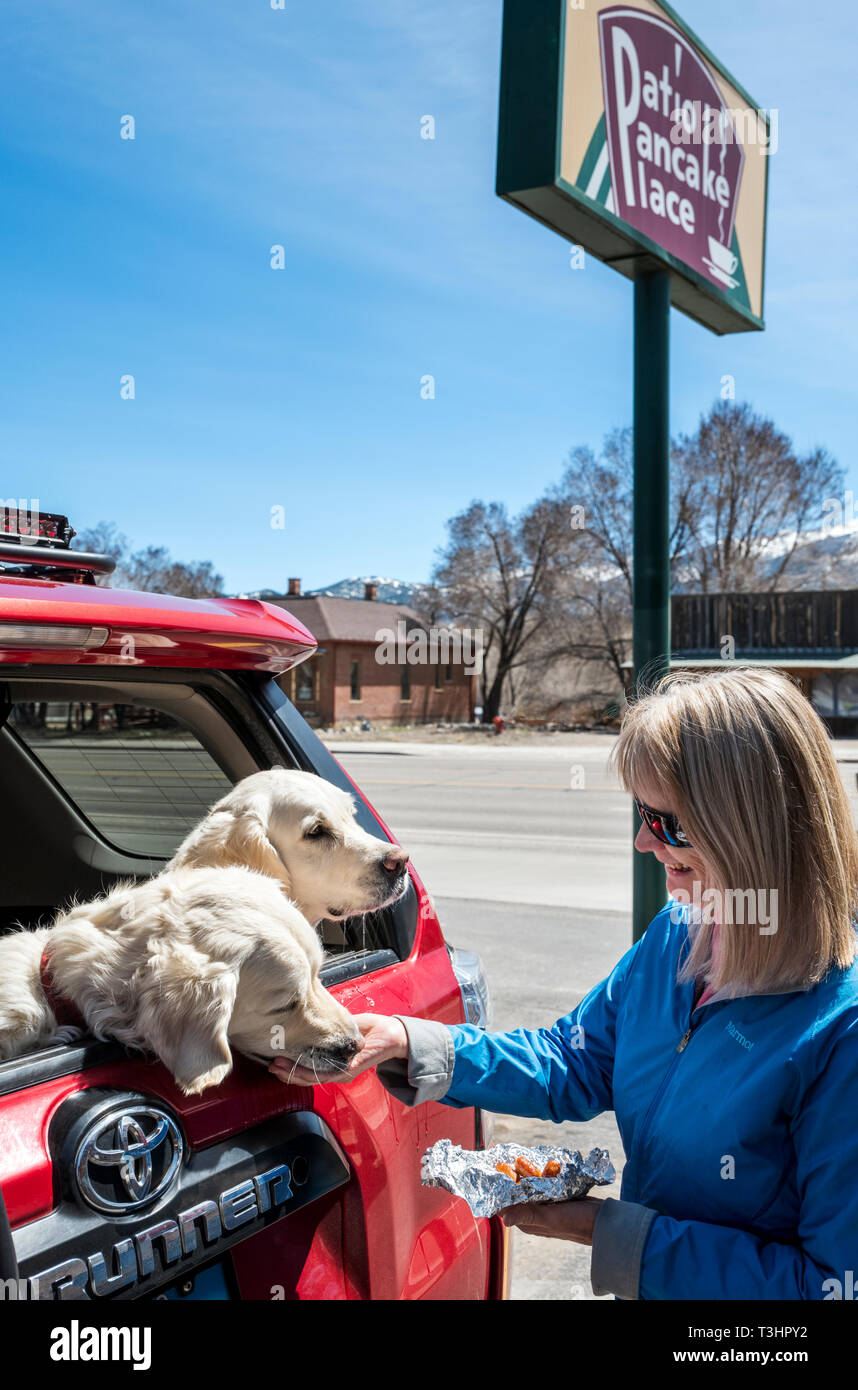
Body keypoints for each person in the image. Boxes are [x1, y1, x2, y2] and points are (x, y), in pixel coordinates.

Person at [271, 667, 858, 1301]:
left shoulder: (841, 1033)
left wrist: (615, 1234)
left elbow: (830, 1287)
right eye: (640, 812)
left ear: (753, 829)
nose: (641, 841)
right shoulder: (681, 935)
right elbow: (575, 1061)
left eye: (666, 822)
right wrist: (416, 1045)